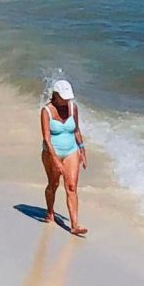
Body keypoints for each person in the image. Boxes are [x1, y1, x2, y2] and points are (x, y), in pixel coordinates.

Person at [41, 78, 89, 236]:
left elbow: (76, 130)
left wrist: (82, 149)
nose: (67, 100)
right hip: (52, 153)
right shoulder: (46, 111)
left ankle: (74, 224)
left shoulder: (72, 108)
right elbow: (47, 138)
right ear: (55, 95)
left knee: (71, 187)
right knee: (53, 184)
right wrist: (55, 160)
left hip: (71, 151)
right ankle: (50, 212)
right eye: (63, 97)